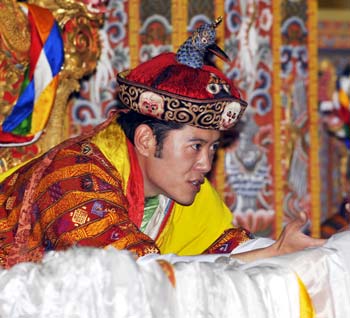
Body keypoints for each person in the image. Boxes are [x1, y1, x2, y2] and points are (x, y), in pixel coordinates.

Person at [0, 18, 324, 269]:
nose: (206, 165)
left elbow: (226, 247)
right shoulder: (72, 179)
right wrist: (271, 253)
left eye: (213, 148)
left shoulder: (182, 186)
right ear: (145, 139)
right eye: (196, 146)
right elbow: (135, 275)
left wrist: (294, 251)